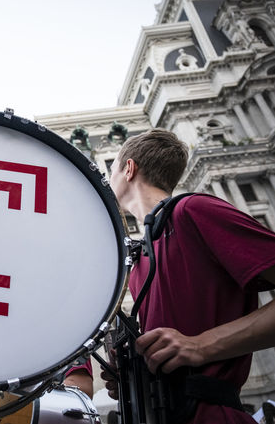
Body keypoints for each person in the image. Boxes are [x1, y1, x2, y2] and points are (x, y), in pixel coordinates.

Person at [103, 129, 275, 423]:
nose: (107, 182)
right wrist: (136, 370)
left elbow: (191, 344)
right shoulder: (141, 258)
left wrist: (201, 345)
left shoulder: (194, 211)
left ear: (129, 169)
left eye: (111, 171)